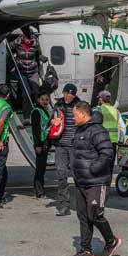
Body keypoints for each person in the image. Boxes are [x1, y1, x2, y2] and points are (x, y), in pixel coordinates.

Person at [68, 102, 122, 256]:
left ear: (83, 114)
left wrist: (93, 169)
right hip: (81, 182)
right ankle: (85, 250)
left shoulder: (98, 130)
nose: (73, 118)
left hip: (97, 182)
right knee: (83, 217)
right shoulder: (79, 130)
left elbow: (107, 153)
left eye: (74, 115)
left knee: (94, 214)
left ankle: (111, 241)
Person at [50, 83, 81, 217]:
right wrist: (52, 122)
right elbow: (50, 119)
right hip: (61, 145)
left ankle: (82, 205)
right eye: (66, 93)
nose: (68, 96)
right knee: (61, 175)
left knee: (78, 176)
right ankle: (64, 205)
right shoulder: (58, 105)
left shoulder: (80, 106)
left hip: (75, 145)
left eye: (71, 94)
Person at [9, 28, 46, 110]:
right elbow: (8, 46)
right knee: (26, 93)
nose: (29, 41)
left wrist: (42, 57)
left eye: (30, 39)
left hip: (33, 72)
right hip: (22, 72)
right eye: (27, 40)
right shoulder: (17, 42)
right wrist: (13, 56)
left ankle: (38, 110)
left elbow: (39, 54)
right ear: (23, 37)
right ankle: (27, 113)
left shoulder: (35, 43)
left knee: (36, 92)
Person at [30, 91, 53, 199]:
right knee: (40, 168)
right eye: (43, 99)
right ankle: (39, 191)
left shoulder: (44, 111)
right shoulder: (36, 111)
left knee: (42, 168)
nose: (45, 102)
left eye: (47, 100)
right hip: (40, 143)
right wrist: (37, 145)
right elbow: (36, 129)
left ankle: (39, 188)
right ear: (38, 100)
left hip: (45, 143)